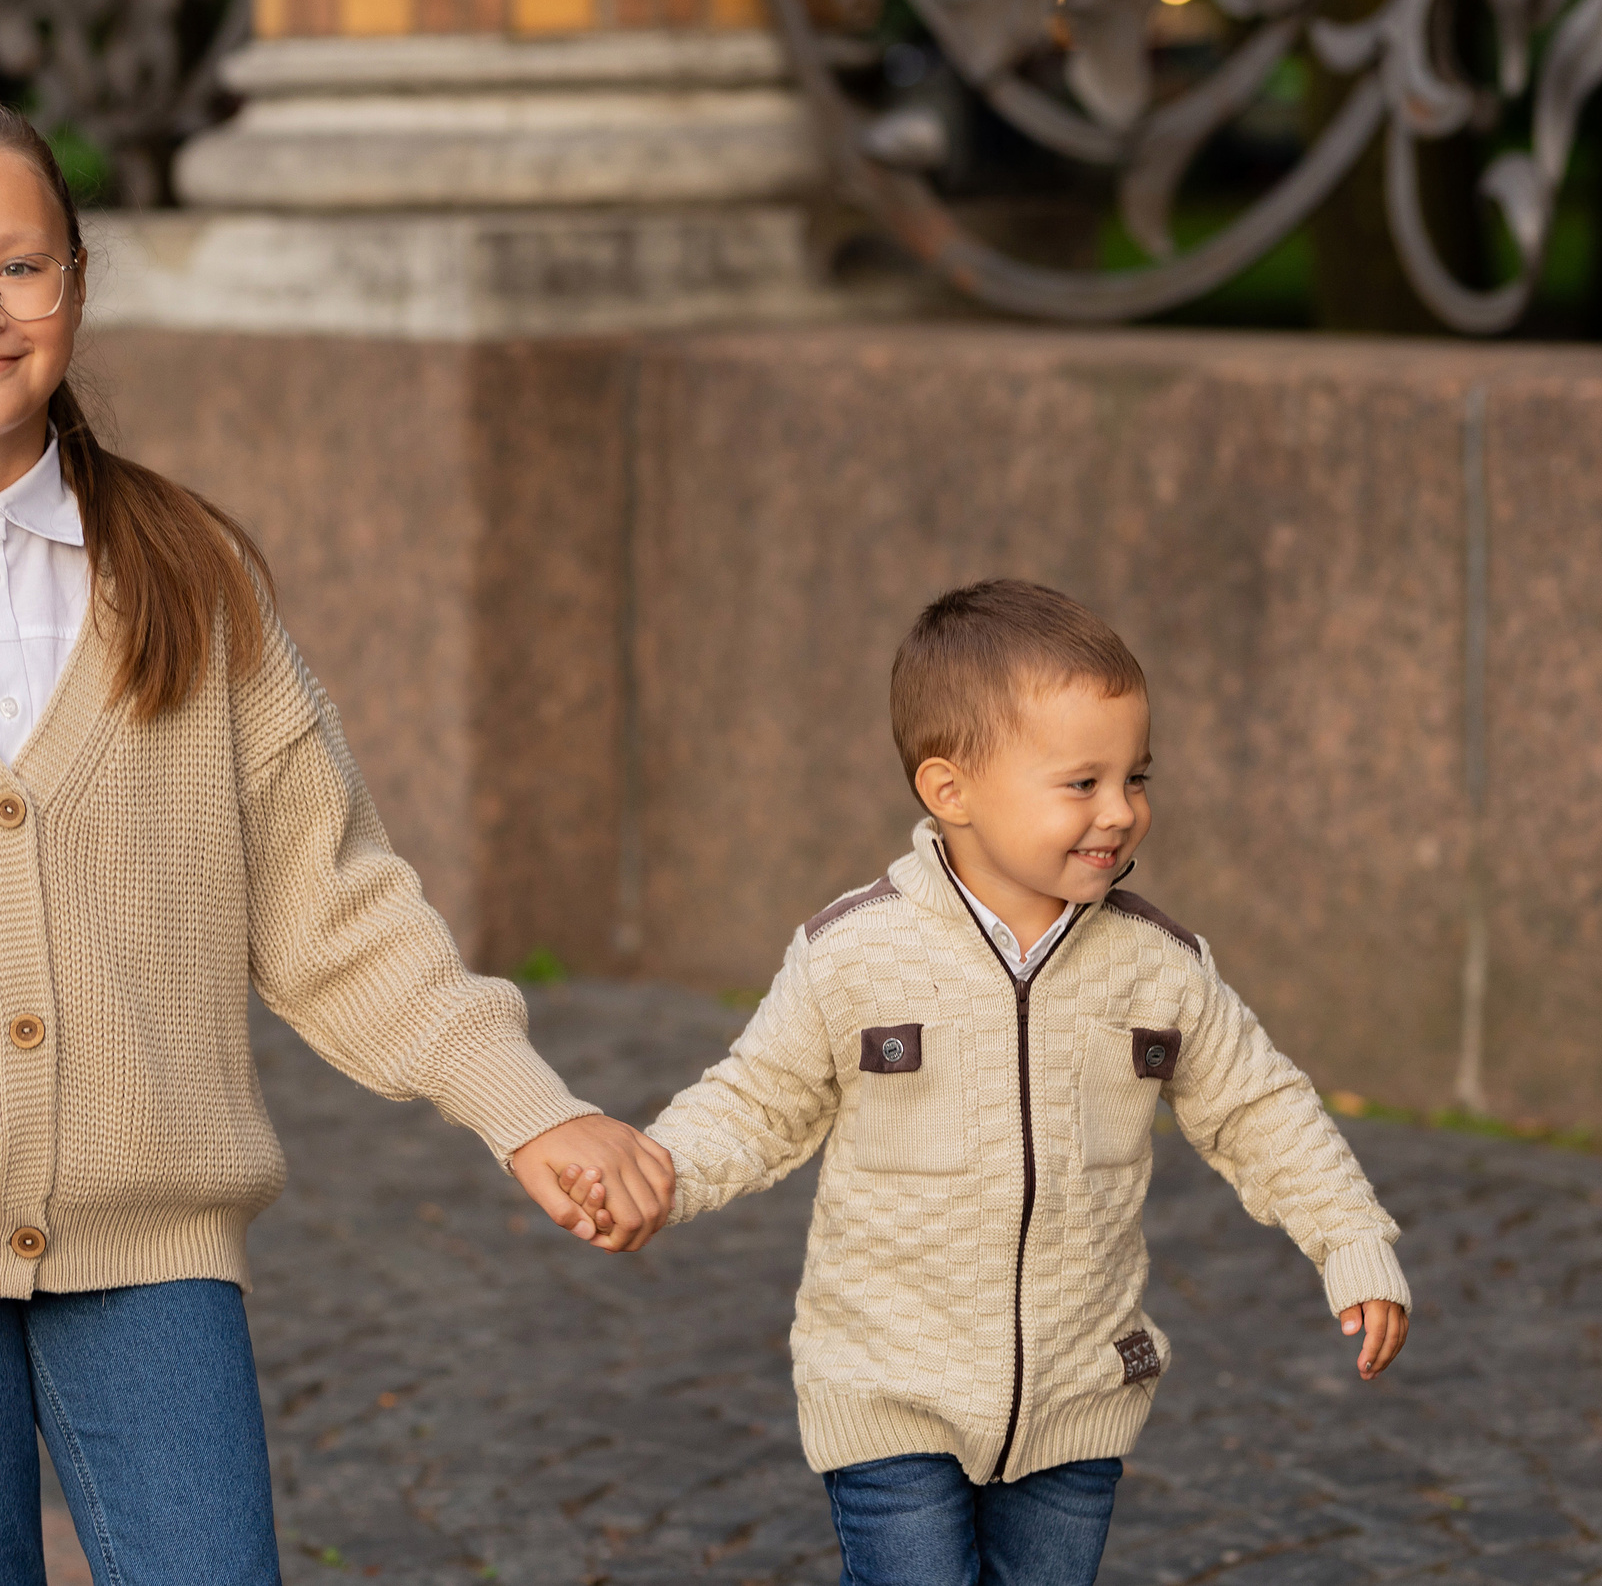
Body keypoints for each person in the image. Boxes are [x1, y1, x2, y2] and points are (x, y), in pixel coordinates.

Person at [0, 96, 673, 1586]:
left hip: (155, 1244)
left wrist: (527, 1108)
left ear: (76, 281)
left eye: (20, 266)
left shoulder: (190, 570)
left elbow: (333, 902)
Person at [560, 579, 1411, 1586]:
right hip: (888, 1391)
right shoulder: (854, 952)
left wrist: (1352, 1238)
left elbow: (1260, 1108)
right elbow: (755, 1101)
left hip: (1077, 1395)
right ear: (950, 790)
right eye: (1081, 783)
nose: (1120, 812)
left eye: (1135, 777)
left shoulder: (1158, 967)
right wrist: (656, 1172)